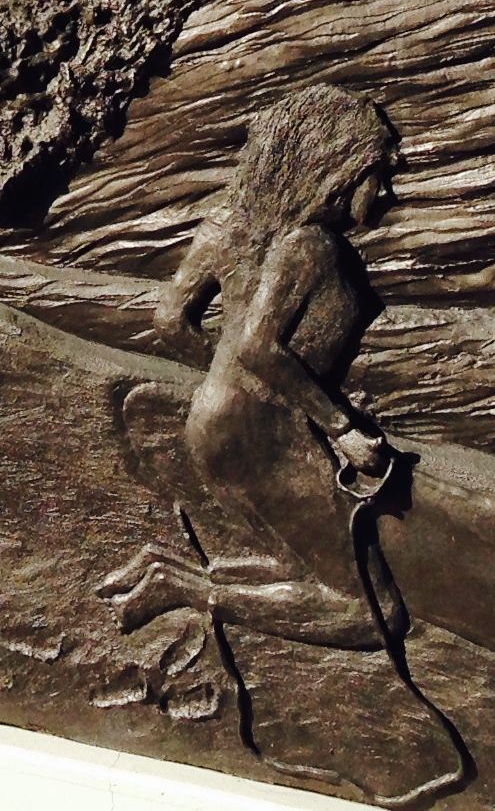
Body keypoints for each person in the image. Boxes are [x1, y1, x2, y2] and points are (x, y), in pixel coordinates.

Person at [110, 83, 405, 651]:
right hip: (264, 432)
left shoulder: (225, 225)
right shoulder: (313, 246)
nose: (388, 192)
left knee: (300, 567)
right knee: (374, 615)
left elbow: (171, 321)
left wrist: (223, 383)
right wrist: (340, 427)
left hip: (217, 422)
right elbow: (260, 348)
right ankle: (181, 591)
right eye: (378, 175)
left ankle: (162, 569)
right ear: (339, 172)